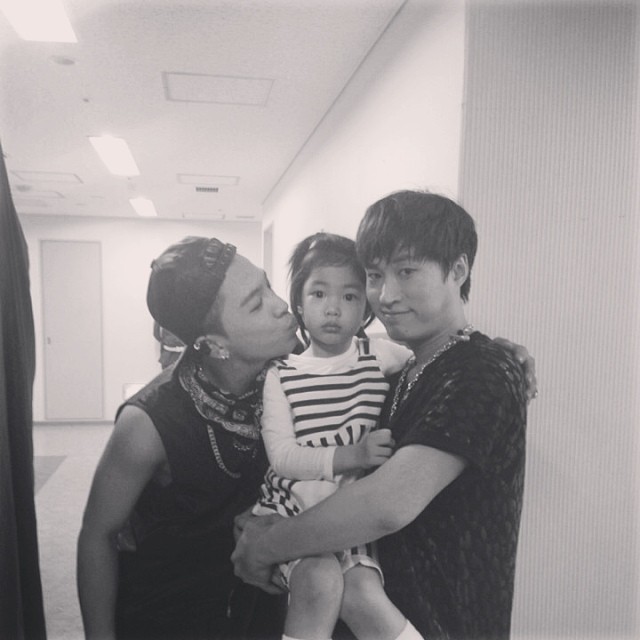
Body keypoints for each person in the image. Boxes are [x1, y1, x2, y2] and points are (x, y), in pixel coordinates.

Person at [232, 191, 530, 640]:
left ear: (458, 270)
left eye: (406, 271)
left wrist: (266, 545)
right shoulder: (400, 369)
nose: (386, 296)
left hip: (443, 622)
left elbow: (388, 504)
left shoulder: (479, 370)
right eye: (374, 276)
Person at [77, 237, 298, 639]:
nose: (281, 304)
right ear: (214, 345)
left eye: (267, 286)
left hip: (259, 610)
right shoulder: (149, 423)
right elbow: (99, 535)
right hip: (170, 614)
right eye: (255, 304)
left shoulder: (295, 374)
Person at [252, 233, 420, 640]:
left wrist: (502, 352)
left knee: (364, 594)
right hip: (295, 509)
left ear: (365, 308)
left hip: (350, 514)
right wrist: (353, 455)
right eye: (319, 294)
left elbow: (439, 358)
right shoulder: (281, 374)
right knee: (318, 581)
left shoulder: (378, 355)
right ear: (298, 302)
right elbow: (283, 457)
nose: (333, 308)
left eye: (349, 296)